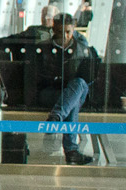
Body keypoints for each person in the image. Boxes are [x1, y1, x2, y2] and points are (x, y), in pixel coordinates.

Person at [36, 12, 97, 165]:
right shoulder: (44, 48)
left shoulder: (82, 49)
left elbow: (88, 79)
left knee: (78, 86)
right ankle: (71, 151)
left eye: (68, 32)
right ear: (54, 30)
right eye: (60, 32)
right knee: (71, 101)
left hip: (72, 92)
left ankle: (56, 117)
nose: (64, 36)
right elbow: (38, 78)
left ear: (74, 29)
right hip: (52, 93)